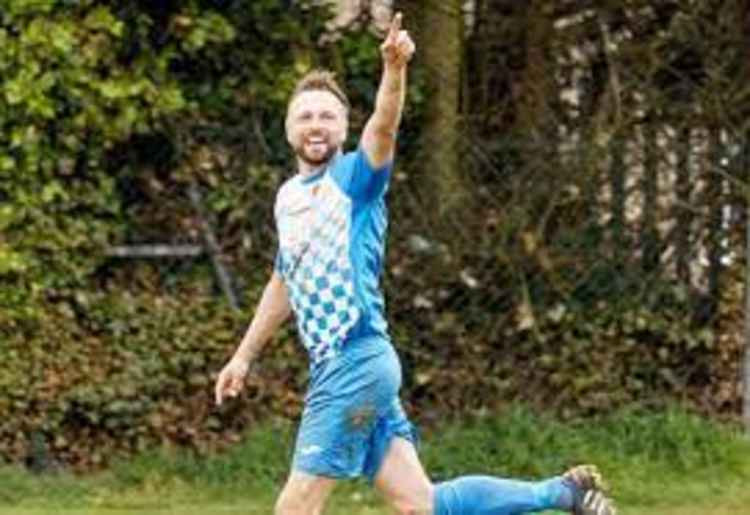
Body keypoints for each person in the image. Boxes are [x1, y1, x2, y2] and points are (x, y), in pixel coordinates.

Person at [214, 12, 616, 515]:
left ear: (343, 128)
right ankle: (563, 493)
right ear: (289, 128)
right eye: (305, 116)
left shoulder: (356, 180)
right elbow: (283, 280)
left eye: (327, 116)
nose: (316, 125)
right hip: (348, 367)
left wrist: (394, 70)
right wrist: (244, 356)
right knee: (421, 504)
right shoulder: (287, 198)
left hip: (353, 361)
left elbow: (384, 124)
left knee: (295, 507)